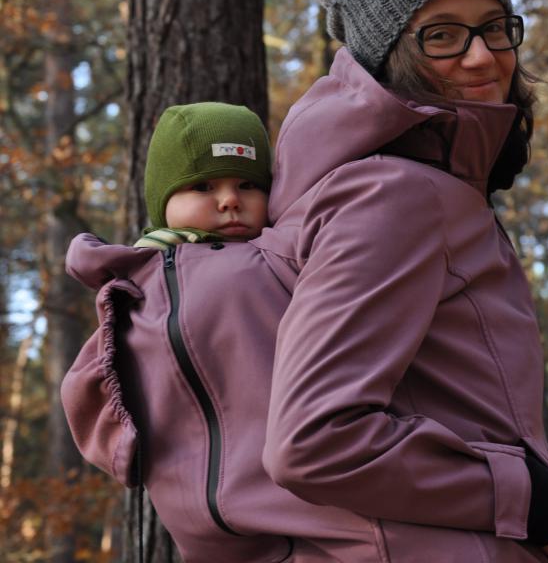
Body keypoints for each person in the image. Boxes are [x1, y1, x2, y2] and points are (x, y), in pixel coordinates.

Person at [256, 0, 548, 562]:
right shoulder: (396, 194)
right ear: (387, 57)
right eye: (441, 35)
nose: (481, 57)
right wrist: (540, 504)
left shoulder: (422, 187)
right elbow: (312, 439)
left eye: (494, 28)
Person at [62, 102, 399, 562]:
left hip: (302, 491)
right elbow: (90, 377)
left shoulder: (277, 258)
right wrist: (124, 451)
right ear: (163, 202)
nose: (229, 200)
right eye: (203, 186)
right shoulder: (130, 285)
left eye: (248, 185)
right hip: (199, 520)